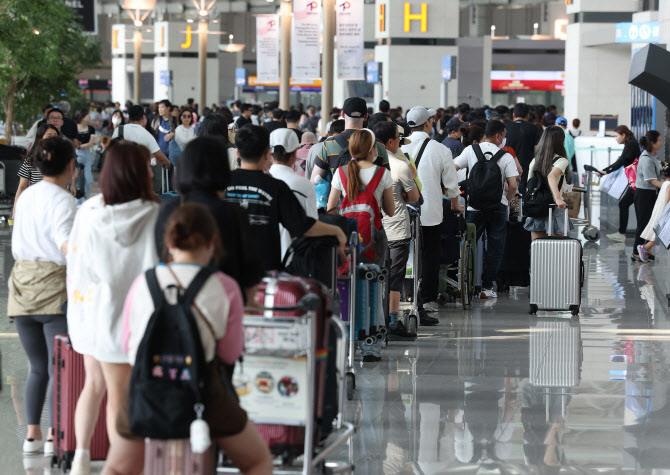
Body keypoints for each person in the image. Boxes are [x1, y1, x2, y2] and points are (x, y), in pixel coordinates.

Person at [121, 203, 273, 475]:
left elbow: (126, 346)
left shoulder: (143, 282)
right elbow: (229, 353)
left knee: (116, 469)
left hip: (145, 395)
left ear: (169, 242)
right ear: (212, 242)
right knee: (258, 462)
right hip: (203, 397)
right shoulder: (225, 286)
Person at [66, 142, 160, 475]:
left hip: (96, 315)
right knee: (122, 398)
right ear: (137, 174)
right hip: (139, 322)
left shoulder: (89, 213)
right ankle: (120, 467)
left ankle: (81, 456)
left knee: (95, 387)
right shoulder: (156, 215)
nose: (151, 171)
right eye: (146, 167)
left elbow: (77, 265)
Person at [8, 136, 77, 456]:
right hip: (53, 294)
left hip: (21, 289)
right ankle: (53, 436)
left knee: (37, 367)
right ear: (71, 167)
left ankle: (31, 437)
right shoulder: (63, 200)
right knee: (57, 367)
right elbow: (66, 245)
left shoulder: (27, 197)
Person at [155, 137, 263, 304]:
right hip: (222, 304)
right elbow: (250, 272)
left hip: (174, 303)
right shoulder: (233, 213)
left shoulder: (168, 209)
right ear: (222, 169)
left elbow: (160, 259)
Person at [225, 125, 346, 271]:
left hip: (228, 265)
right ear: (267, 154)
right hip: (265, 269)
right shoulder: (276, 187)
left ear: (237, 153)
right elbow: (303, 226)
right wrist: (336, 231)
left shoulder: (222, 184)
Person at [401, 106, 461, 320]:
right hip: (431, 212)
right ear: (428, 123)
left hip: (401, 212)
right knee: (430, 256)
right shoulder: (440, 149)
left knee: (402, 254)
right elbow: (452, 185)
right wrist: (455, 205)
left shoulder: (398, 147)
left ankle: (401, 297)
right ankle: (427, 299)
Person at [454, 120, 519, 300]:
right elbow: (513, 184)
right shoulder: (505, 156)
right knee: (495, 248)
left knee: (468, 243)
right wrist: (508, 200)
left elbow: (452, 169)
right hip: (498, 206)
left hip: (474, 206)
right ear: (498, 136)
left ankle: (465, 282)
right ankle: (487, 286)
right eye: (504, 136)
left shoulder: (470, 150)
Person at [372, 121, 419, 339]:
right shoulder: (400, 166)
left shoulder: (365, 166)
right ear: (390, 142)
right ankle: (392, 321)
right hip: (397, 229)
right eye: (398, 139)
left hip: (373, 229)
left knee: (374, 275)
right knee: (394, 277)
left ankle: (373, 318)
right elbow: (415, 197)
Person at [326, 128, 394, 266]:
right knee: (374, 281)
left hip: (346, 240)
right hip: (374, 243)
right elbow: (390, 211)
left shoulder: (340, 172)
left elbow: (331, 209)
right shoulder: (383, 173)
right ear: (372, 148)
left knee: (347, 278)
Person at [311, 97, 390, 185]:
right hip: (372, 198)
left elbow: (314, 180)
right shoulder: (377, 144)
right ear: (366, 116)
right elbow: (386, 180)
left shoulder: (329, 144)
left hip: (339, 197)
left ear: (343, 114)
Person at [268, 129, 318, 259]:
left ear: (269, 154)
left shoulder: (261, 182)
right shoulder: (305, 186)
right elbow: (312, 227)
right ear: (295, 153)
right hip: (295, 260)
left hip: (263, 259)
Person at [523, 126, 573, 240]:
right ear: (560, 142)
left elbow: (529, 186)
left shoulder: (535, 161)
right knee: (557, 250)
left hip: (537, 208)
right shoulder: (562, 161)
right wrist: (558, 198)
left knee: (538, 249)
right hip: (555, 208)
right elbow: (551, 176)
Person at [599, 125, 640, 242]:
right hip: (635, 181)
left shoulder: (631, 144)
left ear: (623, 135)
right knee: (624, 204)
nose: (616, 139)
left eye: (617, 136)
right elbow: (621, 161)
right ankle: (622, 233)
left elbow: (622, 161)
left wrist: (606, 171)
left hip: (637, 182)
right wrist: (605, 170)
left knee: (625, 204)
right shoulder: (630, 144)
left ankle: (623, 234)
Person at [13, 124, 60, 219]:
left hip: (57, 205)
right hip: (36, 206)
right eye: (49, 135)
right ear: (40, 139)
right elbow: (22, 187)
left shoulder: (63, 159)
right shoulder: (31, 160)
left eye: (55, 135)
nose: (53, 139)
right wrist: (15, 212)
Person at [632, 130, 664, 262]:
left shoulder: (652, 156)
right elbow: (652, 180)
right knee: (643, 223)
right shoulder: (646, 159)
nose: (662, 143)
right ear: (652, 142)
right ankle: (636, 252)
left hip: (650, 193)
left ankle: (646, 248)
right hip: (644, 194)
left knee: (651, 223)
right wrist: (666, 187)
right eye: (660, 140)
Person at [111, 105, 171, 170]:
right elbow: (159, 155)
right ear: (142, 117)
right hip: (138, 171)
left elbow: (111, 149)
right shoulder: (147, 134)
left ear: (129, 117)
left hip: (120, 169)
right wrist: (167, 163)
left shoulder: (119, 130)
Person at [506, 103, 542, 191]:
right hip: (526, 166)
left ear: (513, 115)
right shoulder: (534, 129)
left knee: (510, 190)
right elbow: (537, 149)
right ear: (527, 115)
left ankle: (513, 204)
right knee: (523, 191)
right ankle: (521, 204)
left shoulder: (506, 128)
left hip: (508, 165)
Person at [637, 163, 670, 262]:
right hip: (664, 211)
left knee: (657, 232)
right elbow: (668, 200)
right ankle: (645, 248)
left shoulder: (664, 183)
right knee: (660, 234)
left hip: (659, 209)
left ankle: (647, 249)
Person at [74, 108, 97, 199]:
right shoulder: (74, 128)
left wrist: (79, 146)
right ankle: (78, 200)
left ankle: (86, 196)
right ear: (82, 117)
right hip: (76, 155)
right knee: (77, 179)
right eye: (88, 115)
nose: (90, 116)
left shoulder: (91, 129)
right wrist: (78, 146)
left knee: (88, 179)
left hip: (87, 155)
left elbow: (91, 143)